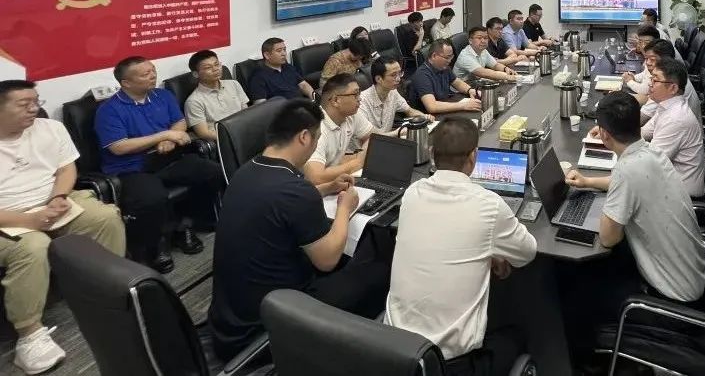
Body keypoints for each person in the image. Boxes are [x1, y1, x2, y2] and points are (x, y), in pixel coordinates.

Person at [209, 99, 390, 361]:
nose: (315, 145)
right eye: (317, 139)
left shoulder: (246, 172)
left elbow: (278, 203)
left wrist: (326, 188)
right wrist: (345, 208)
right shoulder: (295, 190)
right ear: (304, 137)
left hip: (230, 321)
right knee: (379, 268)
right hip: (272, 326)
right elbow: (327, 260)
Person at [561, 92, 705, 359]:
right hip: (692, 280)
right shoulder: (651, 152)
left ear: (604, 134)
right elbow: (627, 180)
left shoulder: (627, 170)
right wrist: (587, 182)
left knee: (571, 290)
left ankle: (587, 361)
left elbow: (608, 238)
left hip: (671, 304)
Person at [386, 118, 537, 375]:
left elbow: (440, 233)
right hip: (452, 364)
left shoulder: (413, 193)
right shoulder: (489, 204)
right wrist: (492, 252)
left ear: (432, 154)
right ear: (473, 157)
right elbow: (527, 253)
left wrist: (485, 252)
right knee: (516, 333)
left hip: (395, 350)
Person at [0, 80, 125, 375]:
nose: (34, 109)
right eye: (24, 104)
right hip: (9, 218)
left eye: (36, 101)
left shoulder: (50, 128)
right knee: (33, 246)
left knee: (104, 217)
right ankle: (29, 335)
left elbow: (67, 169)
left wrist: (58, 198)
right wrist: (29, 221)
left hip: (54, 203)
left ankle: (107, 290)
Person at [95, 56, 223, 273]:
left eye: (153, 70)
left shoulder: (162, 95)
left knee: (212, 172)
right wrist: (164, 135)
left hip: (168, 158)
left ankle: (186, 224)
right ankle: (155, 245)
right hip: (133, 167)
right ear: (126, 83)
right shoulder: (109, 110)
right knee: (152, 198)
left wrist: (169, 139)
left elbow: (179, 122)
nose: (153, 75)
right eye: (145, 74)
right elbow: (119, 147)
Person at [641, 58, 705, 197]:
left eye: (655, 80)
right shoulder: (666, 106)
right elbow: (643, 133)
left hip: (682, 197)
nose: (650, 84)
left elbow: (649, 164)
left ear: (673, 88)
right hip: (667, 182)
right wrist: (613, 132)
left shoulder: (676, 118)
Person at [303, 73, 373, 185]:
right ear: (335, 100)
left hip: (334, 183)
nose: (360, 99)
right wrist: (358, 162)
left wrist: (359, 156)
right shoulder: (316, 127)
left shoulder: (351, 115)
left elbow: (372, 138)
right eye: (355, 94)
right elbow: (316, 177)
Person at [359, 56, 435, 134]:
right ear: (378, 79)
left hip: (387, 139)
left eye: (400, 73)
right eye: (393, 75)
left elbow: (409, 111)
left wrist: (423, 117)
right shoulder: (361, 102)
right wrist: (397, 132)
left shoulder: (392, 92)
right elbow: (369, 137)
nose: (398, 79)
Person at [184, 49, 248, 142]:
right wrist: (234, 137)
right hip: (224, 141)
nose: (215, 69)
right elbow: (204, 133)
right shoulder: (193, 101)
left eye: (217, 64)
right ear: (196, 74)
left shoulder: (234, 84)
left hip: (246, 132)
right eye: (208, 67)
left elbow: (246, 112)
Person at [408, 40, 484, 115]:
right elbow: (432, 106)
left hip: (445, 107)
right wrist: (463, 105)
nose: (450, 60)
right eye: (447, 57)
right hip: (431, 116)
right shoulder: (422, 75)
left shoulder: (443, 67)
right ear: (434, 56)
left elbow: (458, 83)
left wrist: (470, 90)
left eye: (451, 56)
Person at [636, 40, 702, 122]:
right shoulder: (670, 73)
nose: (647, 63)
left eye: (652, 59)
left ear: (666, 60)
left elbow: (639, 119)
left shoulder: (668, 82)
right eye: (646, 59)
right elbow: (647, 99)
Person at [248, 38, 314, 103]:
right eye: (279, 51)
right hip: (284, 108)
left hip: (302, 104)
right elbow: (260, 104)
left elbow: (303, 85)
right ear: (267, 55)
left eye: (284, 50)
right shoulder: (258, 77)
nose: (284, 53)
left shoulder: (288, 67)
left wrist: (315, 99)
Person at [453, 27, 518, 83]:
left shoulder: (483, 51)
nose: (483, 41)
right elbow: (484, 73)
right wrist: (507, 76)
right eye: (479, 38)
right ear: (470, 41)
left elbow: (495, 65)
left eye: (486, 38)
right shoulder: (465, 56)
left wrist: (505, 69)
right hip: (460, 90)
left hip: (474, 83)